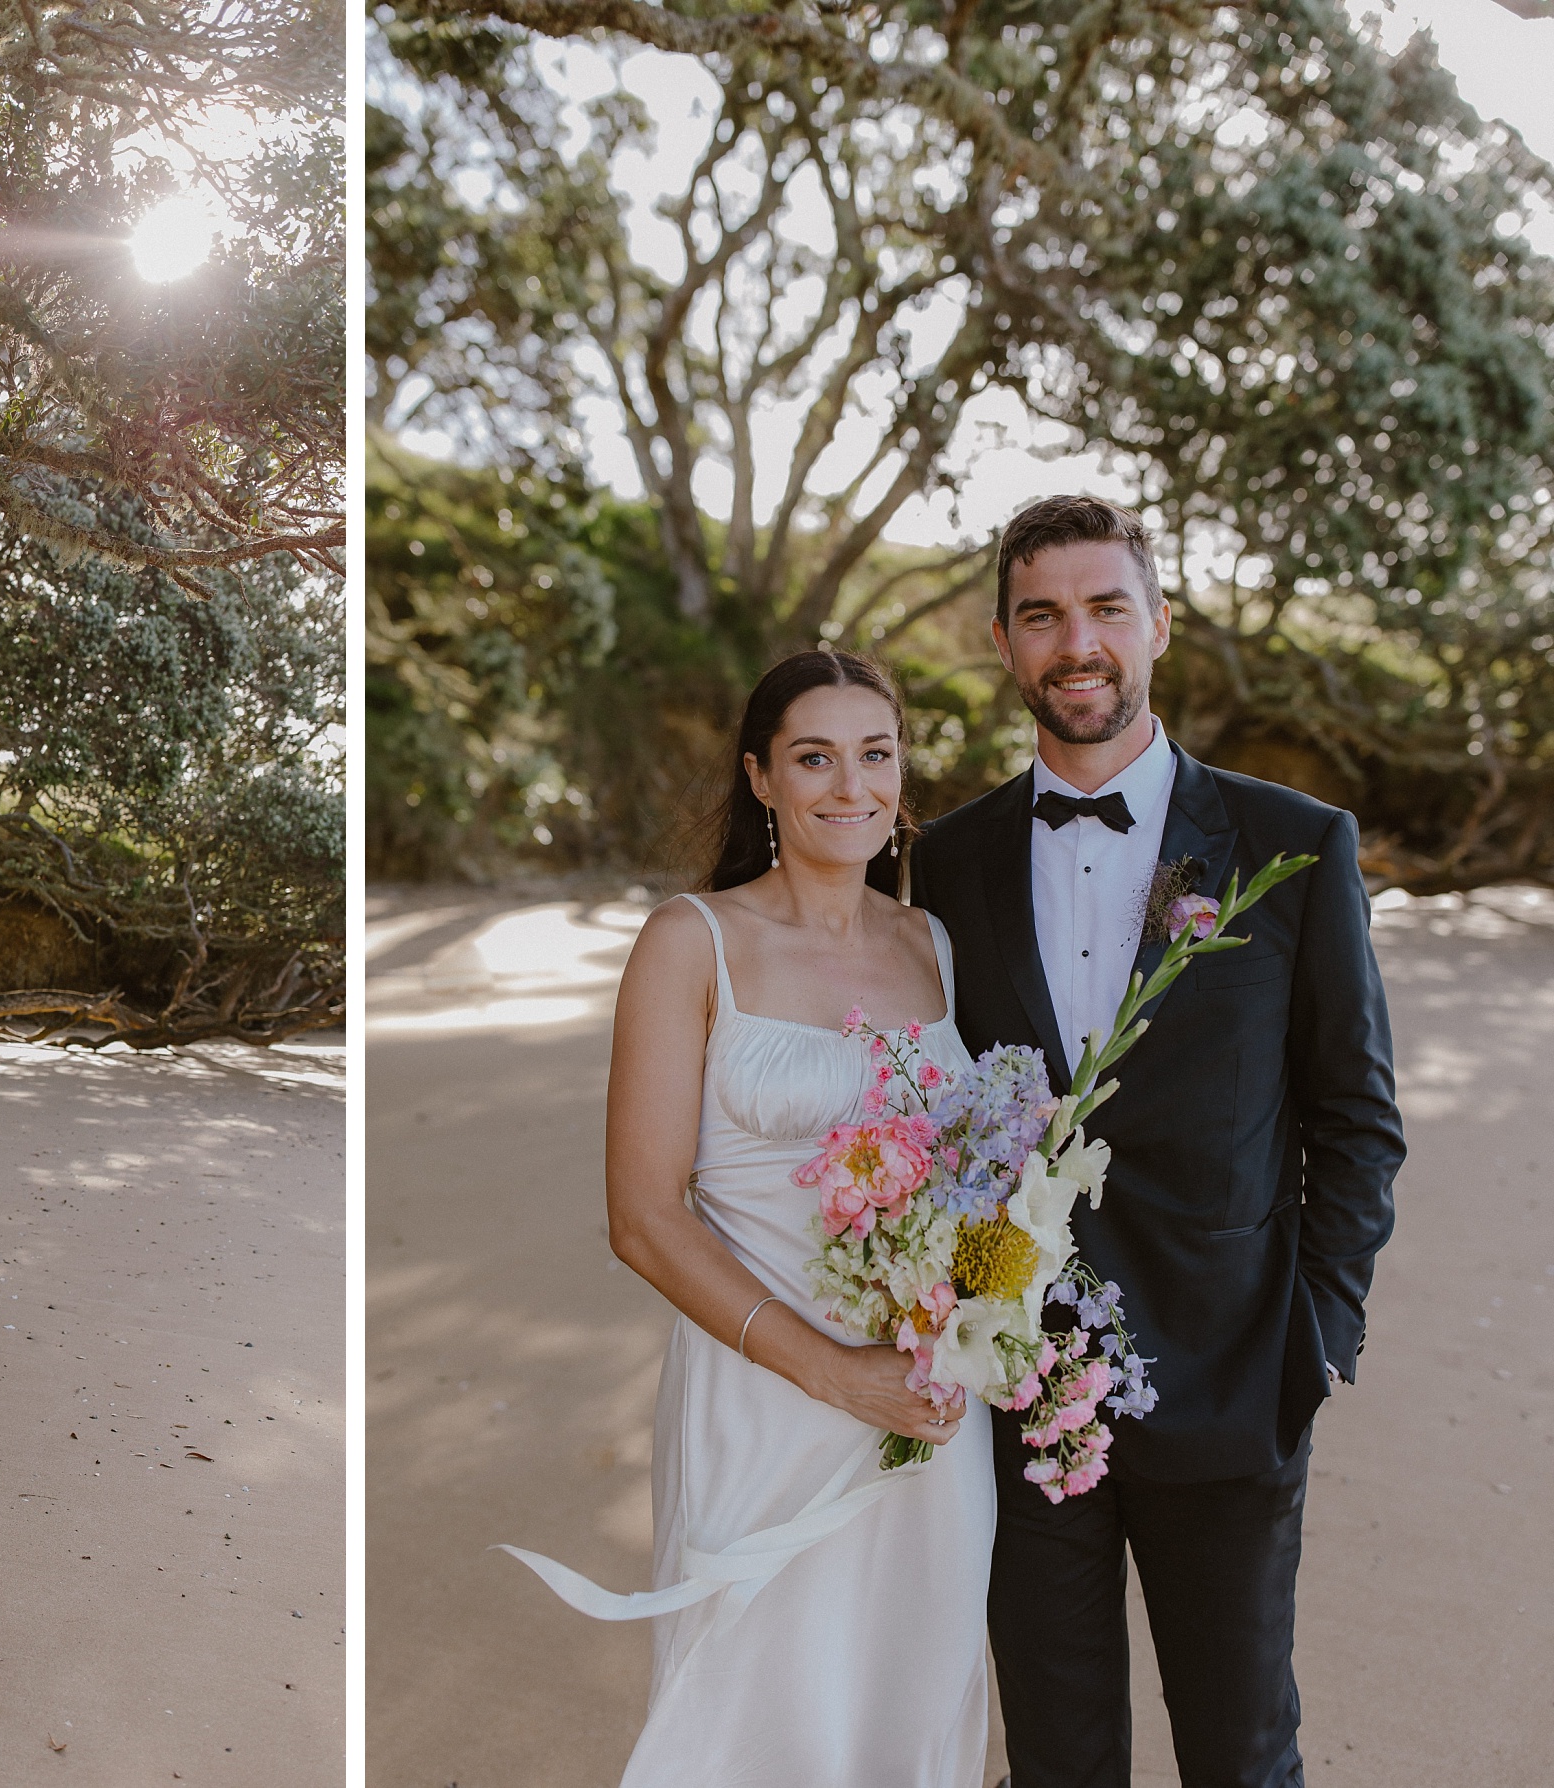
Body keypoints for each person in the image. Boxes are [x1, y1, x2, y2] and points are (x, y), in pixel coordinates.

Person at [910, 494, 1403, 1788]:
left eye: (1105, 607)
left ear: (1159, 625)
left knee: (1242, 1755)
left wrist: (1317, 1338)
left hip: (1236, 1384)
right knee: (1058, 1762)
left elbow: (1356, 1116)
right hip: (1018, 1394)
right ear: (1006, 646)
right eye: (1042, 615)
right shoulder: (943, 864)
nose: (1078, 642)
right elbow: (930, 1116)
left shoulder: (1292, 847)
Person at [499, 649, 995, 1788]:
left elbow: (975, 1180)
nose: (849, 786)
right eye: (814, 758)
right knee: (752, 1717)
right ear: (761, 779)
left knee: (910, 1703)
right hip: (763, 1400)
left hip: (925, 1410)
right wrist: (830, 1371)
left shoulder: (935, 947)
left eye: (876, 755)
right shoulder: (692, 941)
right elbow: (643, 1219)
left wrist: (977, 1322)